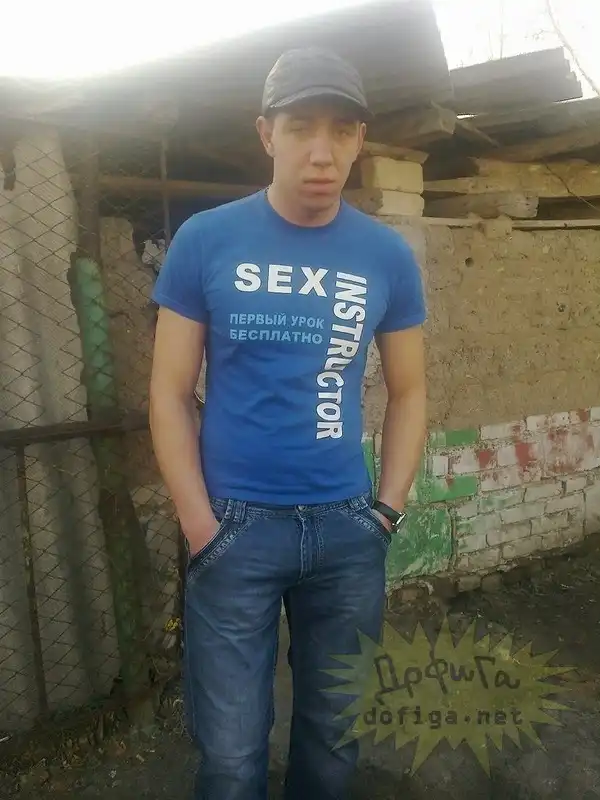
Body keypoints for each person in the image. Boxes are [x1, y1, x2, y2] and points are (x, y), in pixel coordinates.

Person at [149, 46, 427, 800]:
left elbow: (410, 392)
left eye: (342, 130)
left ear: (360, 140)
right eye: (301, 126)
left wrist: (386, 512)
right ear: (266, 133)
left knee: (335, 741)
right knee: (231, 756)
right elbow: (169, 393)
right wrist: (199, 524)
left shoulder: (385, 255)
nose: (321, 151)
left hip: (347, 532)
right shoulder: (206, 240)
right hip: (234, 528)